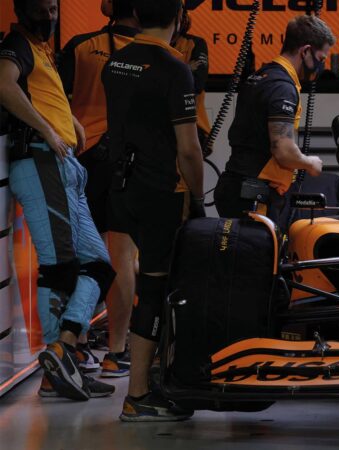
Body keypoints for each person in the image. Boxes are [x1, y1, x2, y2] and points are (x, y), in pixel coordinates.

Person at [0, 0, 116, 400]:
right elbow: (3, 84)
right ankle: (55, 372)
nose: (48, 15)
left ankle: (62, 351)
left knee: (100, 266)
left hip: (62, 165)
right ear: (21, 7)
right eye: (40, 7)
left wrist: (70, 123)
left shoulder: (40, 48)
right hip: (40, 161)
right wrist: (49, 130)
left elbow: (43, 96)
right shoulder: (16, 42)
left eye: (53, 7)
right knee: (60, 268)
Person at [102, 0, 204, 421]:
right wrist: (197, 198)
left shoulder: (115, 62)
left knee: (129, 273)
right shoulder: (174, 68)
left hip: (119, 186)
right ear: (179, 19)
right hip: (161, 190)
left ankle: (146, 379)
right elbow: (189, 149)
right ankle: (139, 395)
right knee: (156, 289)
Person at [58, 0, 139, 379]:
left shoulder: (78, 45)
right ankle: (117, 352)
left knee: (83, 253)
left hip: (83, 158)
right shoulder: (159, 55)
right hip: (129, 163)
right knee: (122, 256)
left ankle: (77, 341)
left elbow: (52, 99)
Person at [214, 14, 332, 222]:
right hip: (255, 197)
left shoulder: (261, 76)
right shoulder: (283, 88)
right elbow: (284, 151)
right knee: (262, 255)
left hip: (237, 187)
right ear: (305, 51)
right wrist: (310, 163)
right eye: (320, 59)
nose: (321, 67)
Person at [171, 7, 211, 150]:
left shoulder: (195, 44)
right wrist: (186, 68)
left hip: (193, 124)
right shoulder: (152, 45)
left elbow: (196, 85)